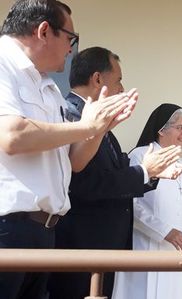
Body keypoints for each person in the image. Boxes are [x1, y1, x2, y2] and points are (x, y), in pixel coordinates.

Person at [0, 1, 137, 298]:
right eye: (70, 38)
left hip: (44, 232)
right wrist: (88, 127)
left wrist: (100, 128)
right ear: (44, 31)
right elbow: (11, 135)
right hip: (8, 228)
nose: (71, 49)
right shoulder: (3, 64)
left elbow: (73, 163)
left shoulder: (47, 87)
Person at [47, 47, 182, 299]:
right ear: (98, 79)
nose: (122, 89)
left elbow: (116, 168)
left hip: (102, 246)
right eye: (119, 80)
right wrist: (145, 171)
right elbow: (83, 182)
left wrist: (152, 172)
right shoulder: (69, 115)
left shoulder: (99, 120)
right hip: (81, 244)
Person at [112, 103, 182, 299]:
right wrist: (165, 231)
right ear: (162, 129)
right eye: (180, 127)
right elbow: (130, 205)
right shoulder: (140, 156)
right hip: (144, 246)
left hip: (176, 251)